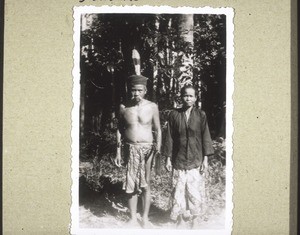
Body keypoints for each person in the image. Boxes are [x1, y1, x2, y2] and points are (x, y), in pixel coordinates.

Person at [163, 85, 214, 229]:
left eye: (191, 96)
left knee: (194, 191)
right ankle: (181, 218)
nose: (188, 98)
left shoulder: (201, 115)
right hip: (178, 159)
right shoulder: (174, 115)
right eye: (185, 95)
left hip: (195, 159)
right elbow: (170, 138)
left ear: (196, 98)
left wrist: (205, 159)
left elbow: (206, 137)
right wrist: (167, 157)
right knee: (179, 189)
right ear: (181, 97)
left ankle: (195, 218)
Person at [114, 74, 162, 228]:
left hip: (147, 149)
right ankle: (133, 218)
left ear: (145, 90)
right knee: (131, 183)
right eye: (133, 90)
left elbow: (158, 129)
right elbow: (119, 130)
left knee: (146, 183)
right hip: (130, 148)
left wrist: (158, 148)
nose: (136, 94)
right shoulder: (124, 108)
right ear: (130, 90)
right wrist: (118, 151)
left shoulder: (152, 106)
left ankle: (145, 218)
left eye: (139, 90)